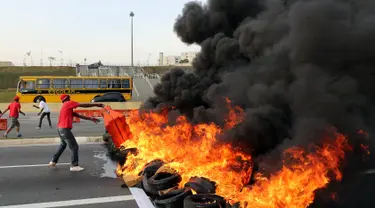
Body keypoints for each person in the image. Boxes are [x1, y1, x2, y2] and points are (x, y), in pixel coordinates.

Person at [49, 94, 103, 172]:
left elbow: (77, 115)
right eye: (69, 97)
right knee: (74, 147)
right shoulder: (68, 103)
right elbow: (83, 105)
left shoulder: (66, 107)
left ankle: (53, 161)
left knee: (63, 145)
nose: (70, 98)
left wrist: (91, 119)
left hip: (60, 129)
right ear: (66, 98)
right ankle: (74, 165)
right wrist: (98, 104)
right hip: (64, 129)